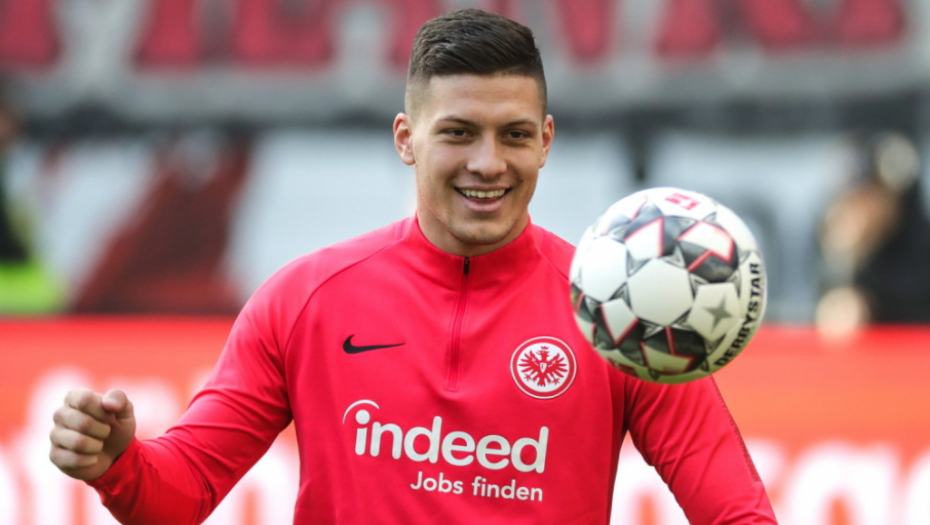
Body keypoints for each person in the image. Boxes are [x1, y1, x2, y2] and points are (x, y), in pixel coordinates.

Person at [49, 9, 777, 524]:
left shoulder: (620, 312)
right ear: (406, 138)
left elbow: (738, 514)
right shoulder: (305, 299)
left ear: (546, 141)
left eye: (514, 135)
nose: (488, 163)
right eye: (458, 133)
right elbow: (179, 493)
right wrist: (118, 463)